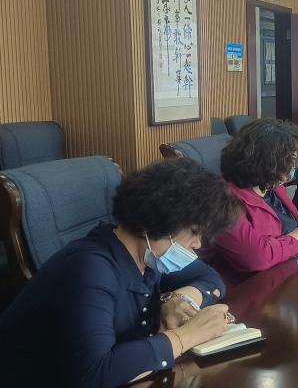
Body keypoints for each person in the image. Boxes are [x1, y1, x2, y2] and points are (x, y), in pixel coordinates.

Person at [0, 159, 240, 387]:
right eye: (194, 232)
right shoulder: (89, 269)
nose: (198, 244)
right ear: (158, 221)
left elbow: (211, 280)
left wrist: (177, 299)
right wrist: (186, 336)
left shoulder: (149, 255)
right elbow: (94, 373)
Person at [209, 119, 298, 276]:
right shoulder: (222, 201)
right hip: (250, 283)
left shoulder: (274, 187)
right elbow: (256, 257)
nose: (294, 166)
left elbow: (293, 229)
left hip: (286, 270)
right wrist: (294, 238)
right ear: (264, 162)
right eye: (288, 160)